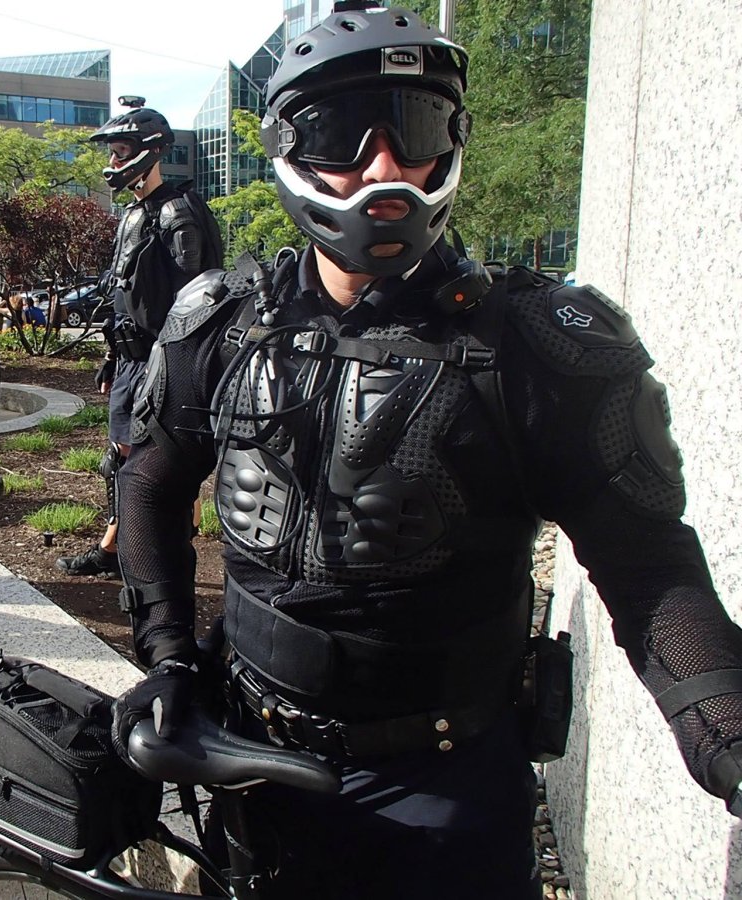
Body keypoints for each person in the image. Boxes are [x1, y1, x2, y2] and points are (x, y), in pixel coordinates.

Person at [108, 5, 742, 898]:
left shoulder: (542, 346)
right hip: (245, 763)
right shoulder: (221, 317)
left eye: (414, 129)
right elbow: (150, 483)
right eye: (342, 134)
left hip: (443, 793)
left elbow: (652, 570)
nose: (384, 167)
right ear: (288, 143)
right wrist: (169, 654)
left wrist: (726, 735)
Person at [55, 101, 223, 577]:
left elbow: (199, 293)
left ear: (149, 151)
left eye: (120, 151)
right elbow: (123, 292)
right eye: (111, 153)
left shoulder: (177, 212)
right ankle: (125, 547)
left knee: (163, 462)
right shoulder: (135, 212)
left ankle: (146, 550)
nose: (112, 162)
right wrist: (114, 357)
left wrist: (181, 364)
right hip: (132, 360)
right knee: (127, 458)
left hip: (164, 359)